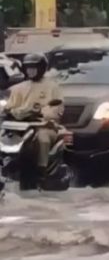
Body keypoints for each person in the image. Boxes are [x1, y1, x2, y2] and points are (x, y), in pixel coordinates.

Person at [4, 53, 64, 186]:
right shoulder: (18, 88)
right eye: (28, 67)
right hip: (19, 127)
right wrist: (8, 112)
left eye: (33, 67)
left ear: (41, 68)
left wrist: (42, 113)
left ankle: (41, 171)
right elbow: (9, 107)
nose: (30, 70)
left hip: (44, 126)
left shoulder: (52, 87)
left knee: (42, 139)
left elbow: (56, 109)